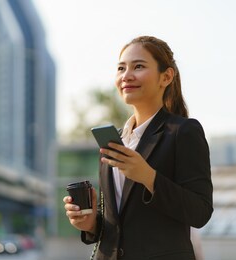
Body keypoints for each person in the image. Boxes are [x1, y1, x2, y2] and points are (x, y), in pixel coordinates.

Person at [63, 35, 213, 260]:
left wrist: (149, 177)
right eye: (121, 68)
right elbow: (119, 224)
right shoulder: (113, 142)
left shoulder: (183, 131)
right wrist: (91, 223)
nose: (126, 76)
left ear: (166, 76)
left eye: (139, 66)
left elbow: (200, 212)